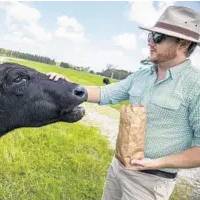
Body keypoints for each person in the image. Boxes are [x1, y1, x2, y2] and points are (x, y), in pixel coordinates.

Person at [47, 6, 200, 200]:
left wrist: (155, 163)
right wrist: (66, 87)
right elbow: (105, 93)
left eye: (159, 37)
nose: (151, 42)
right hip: (117, 168)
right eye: (150, 35)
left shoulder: (195, 85)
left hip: (150, 183)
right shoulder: (142, 75)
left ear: (184, 43)